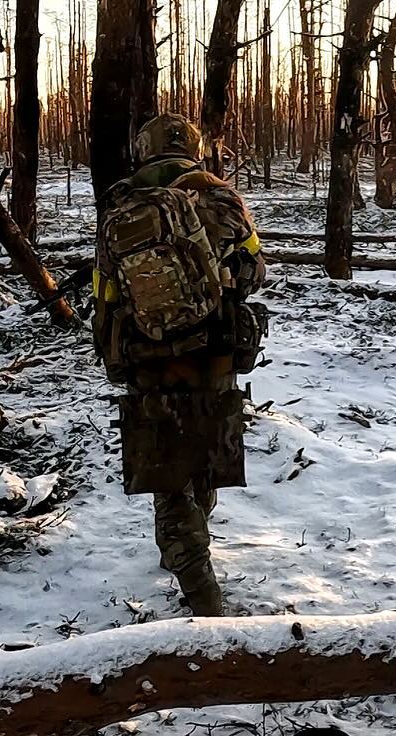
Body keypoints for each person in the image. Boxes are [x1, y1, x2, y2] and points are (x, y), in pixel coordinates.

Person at [91, 113, 267, 616]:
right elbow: (256, 271)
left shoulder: (122, 203)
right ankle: (201, 581)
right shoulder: (220, 194)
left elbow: (106, 291)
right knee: (207, 455)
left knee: (168, 475)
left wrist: (113, 349)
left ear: (143, 149)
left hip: (148, 354)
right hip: (214, 352)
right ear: (194, 148)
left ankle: (192, 571)